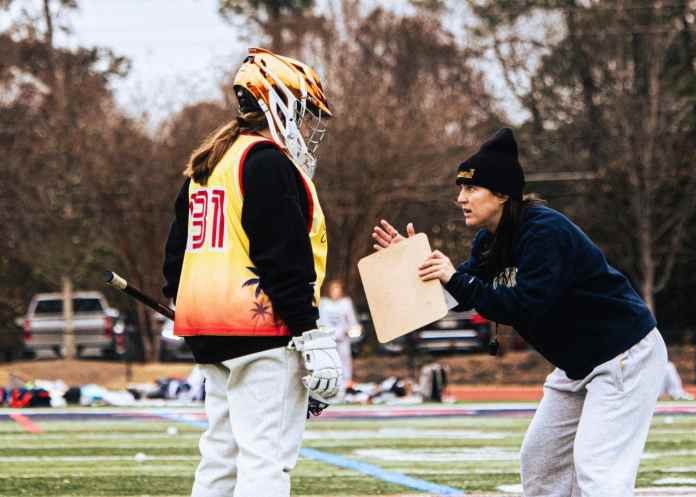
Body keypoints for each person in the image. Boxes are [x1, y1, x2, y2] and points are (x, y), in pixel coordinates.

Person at [372, 128, 668, 497]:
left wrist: (453, 277)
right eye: (460, 189)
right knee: (540, 463)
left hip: (623, 355)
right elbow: (461, 291)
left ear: (501, 194)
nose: (459, 198)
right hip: (579, 363)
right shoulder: (491, 239)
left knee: (599, 469)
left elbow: (525, 304)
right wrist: (412, 263)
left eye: (470, 189)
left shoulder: (544, 231)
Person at [162, 47, 342, 497]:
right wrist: (311, 335)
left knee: (220, 459)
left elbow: (175, 255)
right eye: (301, 113)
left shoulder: (208, 163)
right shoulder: (264, 161)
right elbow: (283, 257)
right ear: (278, 104)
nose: (304, 126)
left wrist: (177, 298)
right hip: (262, 333)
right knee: (266, 461)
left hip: (209, 332)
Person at [319, 279, 358, 390]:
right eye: (333, 289)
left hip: (343, 339)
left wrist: (350, 330)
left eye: (338, 289)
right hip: (328, 339)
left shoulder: (346, 303)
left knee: (345, 360)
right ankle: (330, 385)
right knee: (328, 362)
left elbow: (352, 321)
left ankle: (346, 384)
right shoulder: (323, 303)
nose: (336, 292)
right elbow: (320, 321)